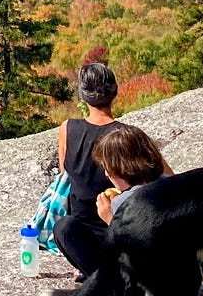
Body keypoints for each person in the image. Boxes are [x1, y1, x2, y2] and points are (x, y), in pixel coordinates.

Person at [55, 64, 170, 276]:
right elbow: (168, 180)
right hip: (127, 233)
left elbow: (65, 175)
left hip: (84, 237)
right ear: (114, 91)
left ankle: (93, 273)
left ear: (82, 95)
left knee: (63, 227)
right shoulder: (127, 137)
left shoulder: (67, 129)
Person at [92, 123, 170, 225]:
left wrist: (111, 221)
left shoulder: (122, 203)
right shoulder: (171, 181)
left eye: (107, 168)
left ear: (120, 168)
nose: (106, 174)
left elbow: (129, 239)